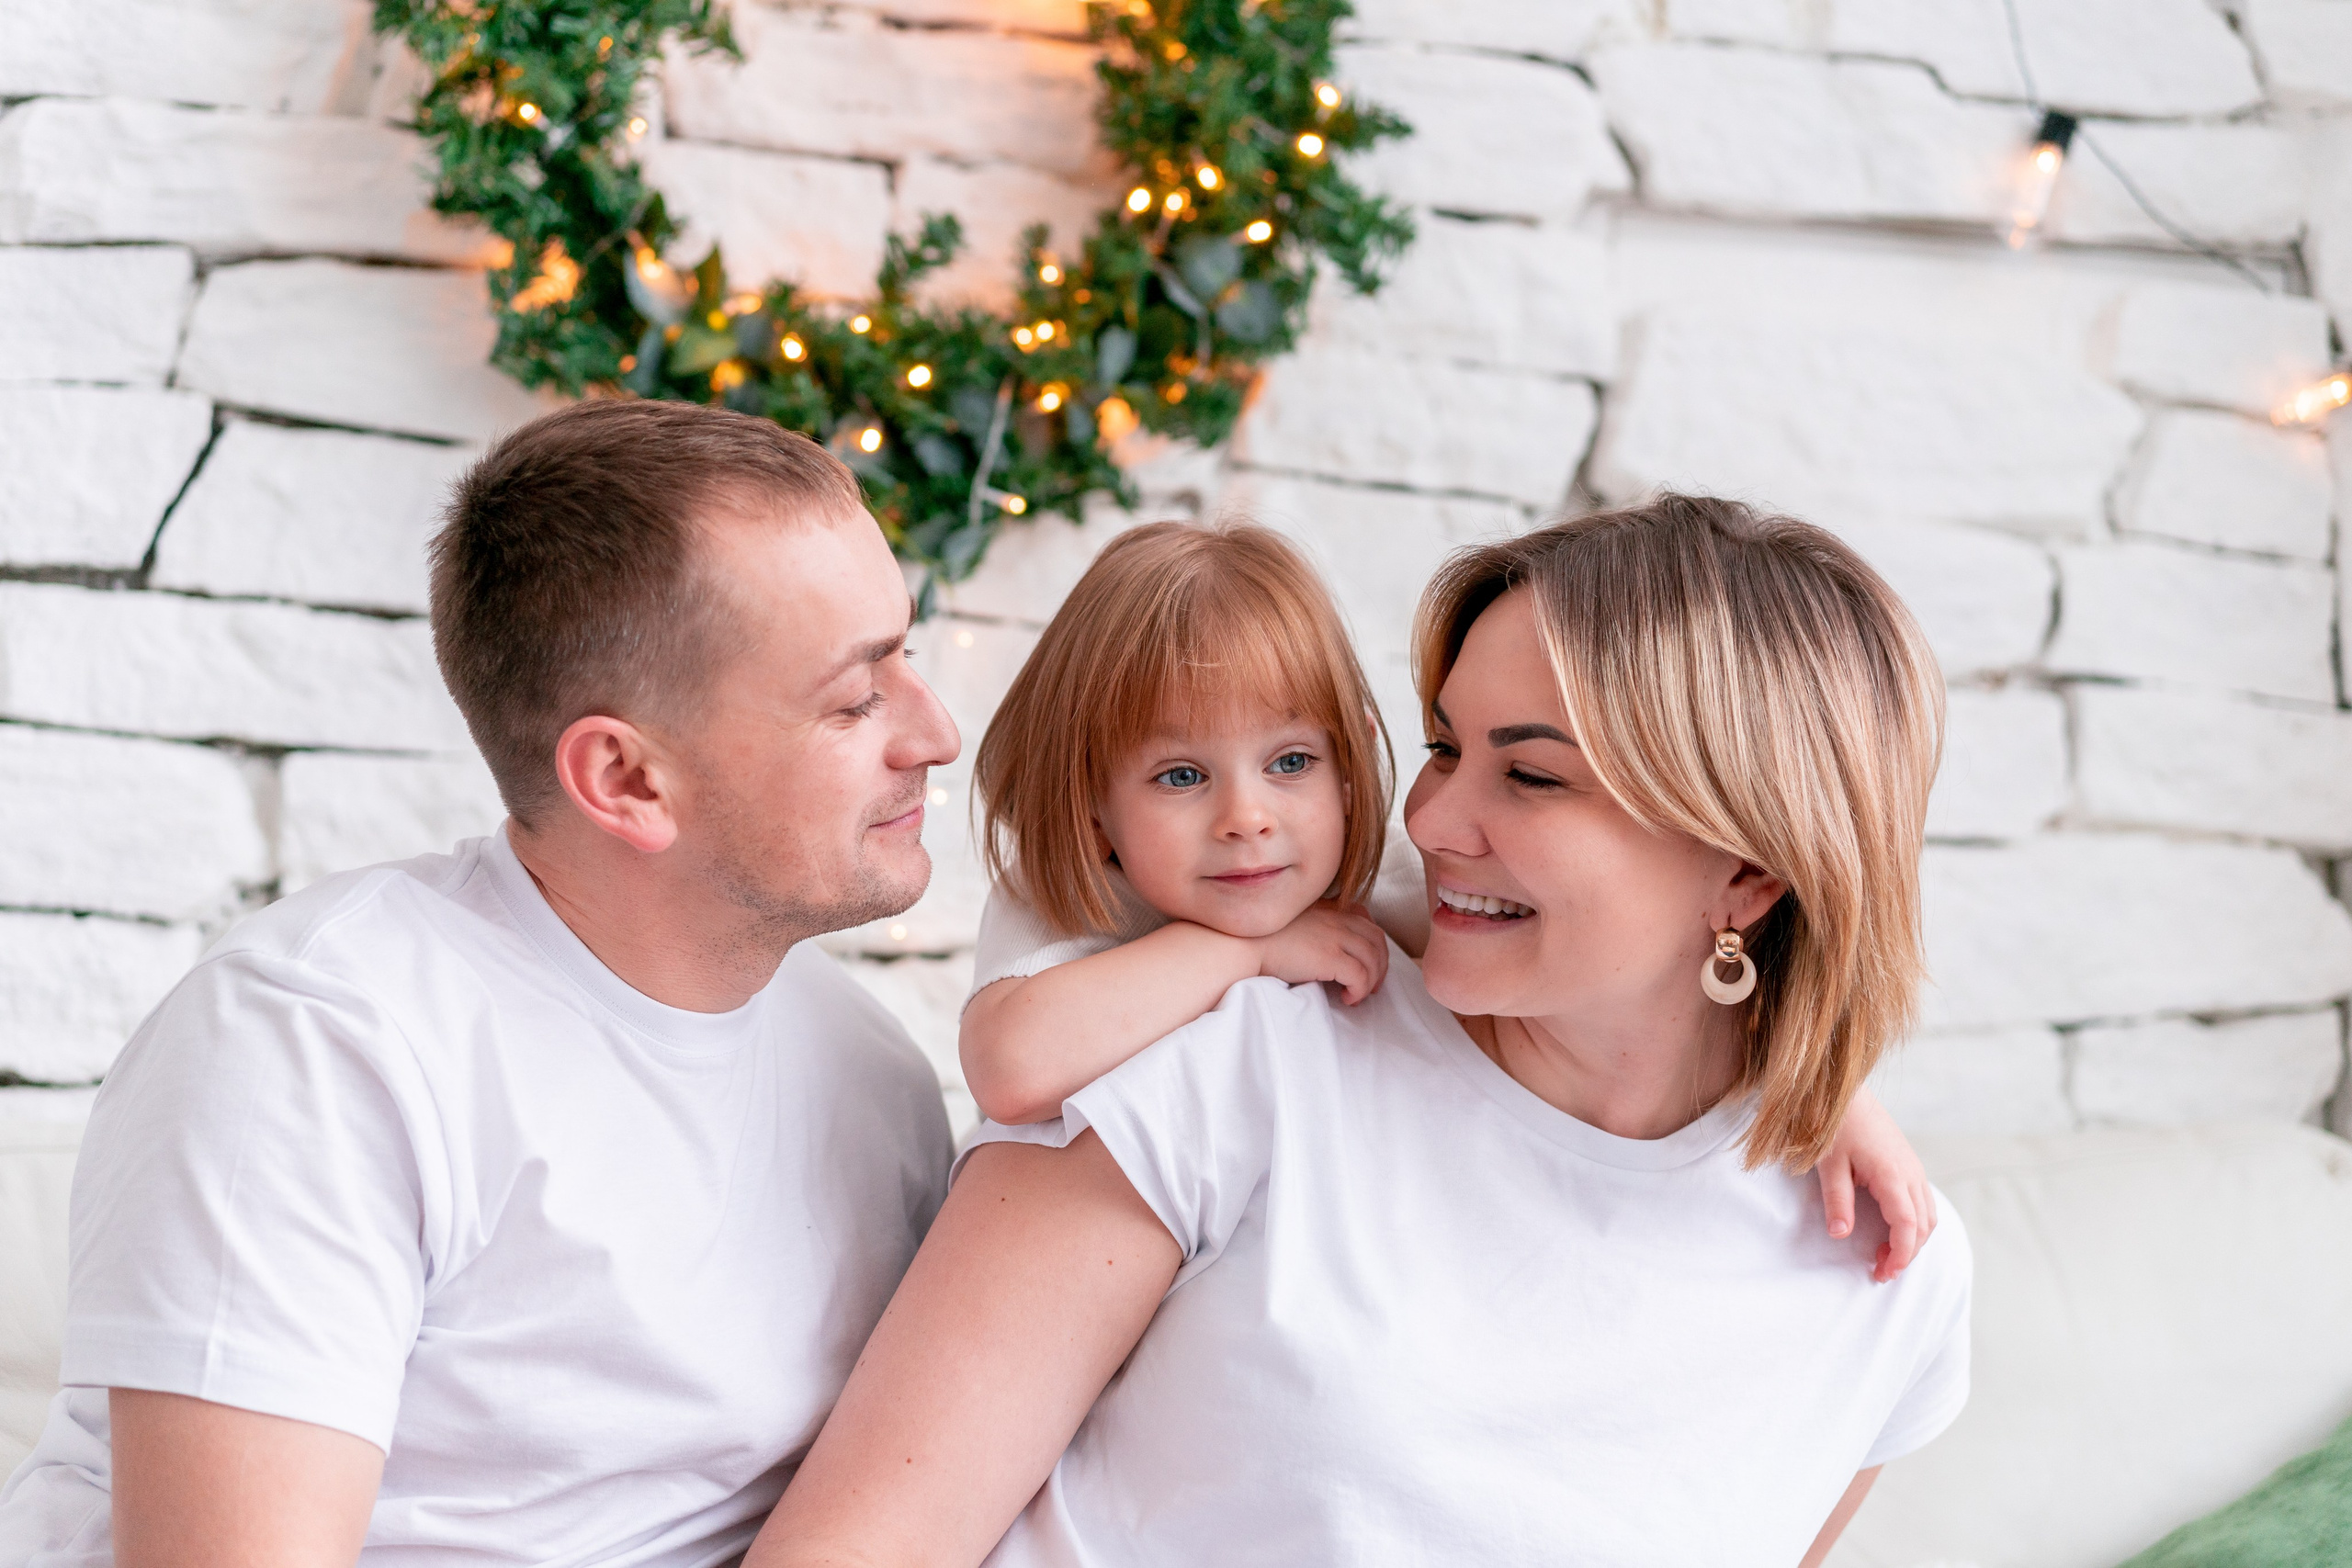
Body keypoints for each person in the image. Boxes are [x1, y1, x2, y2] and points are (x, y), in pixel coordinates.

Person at [745, 496, 1973, 1568]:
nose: (1432, 817)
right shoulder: (1226, 1060)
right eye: (1441, 745)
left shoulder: (1883, 1274)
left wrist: (1832, 1085)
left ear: (1751, 872)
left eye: (1528, 775)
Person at [0, 400, 961, 1567]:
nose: (936, 733)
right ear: (626, 779)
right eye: (855, 698)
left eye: (906, 657)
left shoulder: (872, 1078)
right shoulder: (313, 1043)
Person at [958, 517, 1933, 1252]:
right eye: (1179, 776)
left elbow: (1700, 999)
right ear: (1090, 809)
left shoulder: (1364, 875)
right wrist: (1243, 948)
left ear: (1347, 763)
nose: (1247, 817)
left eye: (1292, 762)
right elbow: (1012, 1065)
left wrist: (1833, 1102)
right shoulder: (1076, 889)